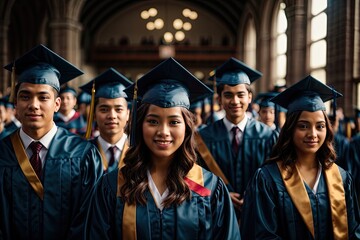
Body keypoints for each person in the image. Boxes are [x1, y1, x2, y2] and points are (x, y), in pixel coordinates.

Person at [85, 58, 241, 239]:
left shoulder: (208, 188)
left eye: (174, 122)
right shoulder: (112, 186)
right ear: (140, 125)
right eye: (153, 121)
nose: (163, 132)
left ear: (187, 127)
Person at [0, 44, 103, 239]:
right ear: (15, 103)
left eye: (43, 97)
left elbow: (89, 219)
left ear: (57, 104)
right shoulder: (2, 153)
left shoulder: (82, 155)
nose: (33, 105)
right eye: (25, 96)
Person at [240, 75, 360, 239]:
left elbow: (353, 231)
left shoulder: (341, 178)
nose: (313, 134)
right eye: (303, 126)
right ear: (290, 129)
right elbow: (261, 235)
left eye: (320, 126)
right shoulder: (268, 180)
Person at [196, 57, 278, 218]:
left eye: (241, 95)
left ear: (249, 97)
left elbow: (277, 179)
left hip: (259, 215)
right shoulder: (203, 138)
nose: (235, 101)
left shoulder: (268, 136)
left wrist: (255, 195)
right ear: (219, 99)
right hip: (217, 215)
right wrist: (219, 194)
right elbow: (194, 181)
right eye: (228, 95)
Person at [80, 68, 132, 173]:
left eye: (118, 109)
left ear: (127, 114)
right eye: (104, 109)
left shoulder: (138, 152)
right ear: (94, 115)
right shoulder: (81, 152)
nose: (112, 116)